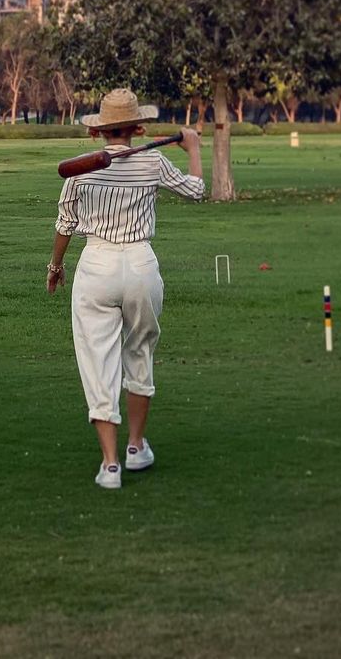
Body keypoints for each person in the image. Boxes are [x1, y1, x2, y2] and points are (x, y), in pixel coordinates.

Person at [46, 87, 204, 490]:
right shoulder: (152, 160)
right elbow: (196, 191)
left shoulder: (84, 167)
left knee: (98, 360)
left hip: (96, 266)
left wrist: (56, 266)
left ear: (99, 130)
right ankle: (136, 446)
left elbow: (65, 223)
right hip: (140, 265)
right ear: (137, 126)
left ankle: (111, 464)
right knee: (140, 351)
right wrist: (193, 150)